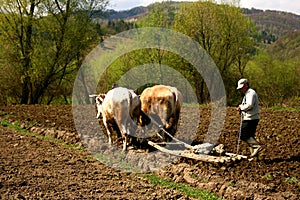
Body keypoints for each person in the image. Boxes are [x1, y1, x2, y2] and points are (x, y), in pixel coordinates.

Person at [236, 78, 263, 157]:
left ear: (246, 85)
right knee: (250, 136)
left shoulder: (251, 93)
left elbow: (250, 105)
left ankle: (256, 147)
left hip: (251, 118)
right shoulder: (247, 94)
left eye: (242, 87)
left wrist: (241, 107)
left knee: (243, 134)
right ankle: (254, 154)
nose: (241, 90)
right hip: (251, 117)